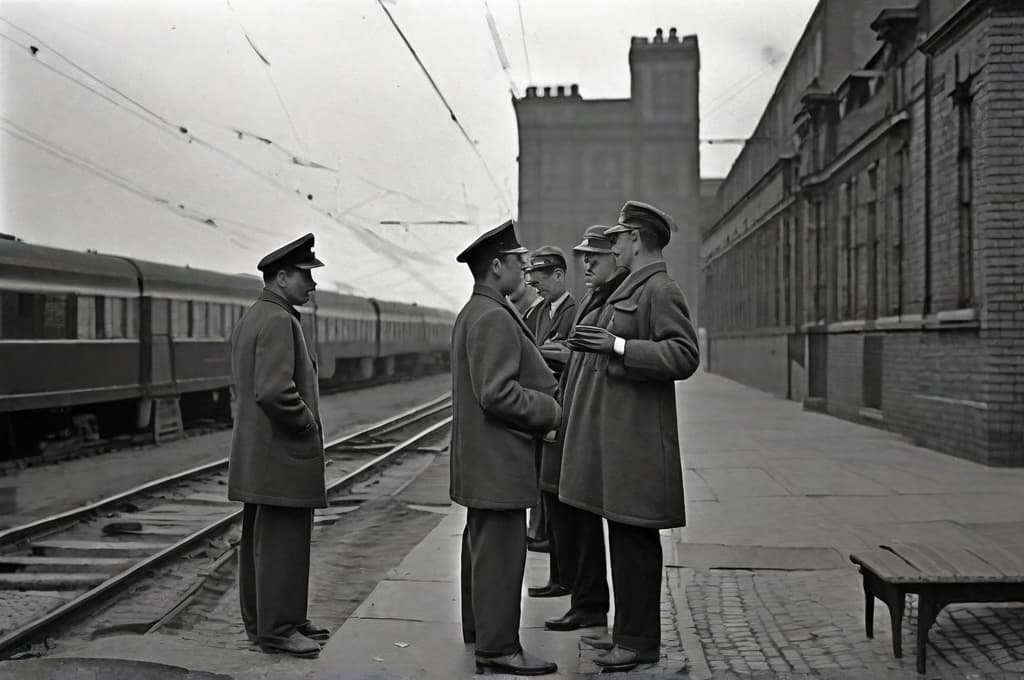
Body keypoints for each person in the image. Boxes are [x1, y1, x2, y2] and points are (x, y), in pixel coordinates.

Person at [561, 202, 700, 672]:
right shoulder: (633, 287)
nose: (614, 246)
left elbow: (683, 355)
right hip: (620, 443)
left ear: (637, 240)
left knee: (635, 544)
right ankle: (629, 636)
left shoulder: (660, 289)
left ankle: (640, 642)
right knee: (623, 539)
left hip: (639, 445)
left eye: (618, 238)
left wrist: (619, 346)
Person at [451, 219, 562, 676]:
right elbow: (497, 393)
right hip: (499, 459)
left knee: (482, 547)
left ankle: (481, 631)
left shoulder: (477, 311)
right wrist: (549, 410)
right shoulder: (494, 316)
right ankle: (499, 648)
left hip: (483, 460)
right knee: (500, 554)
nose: (525, 268)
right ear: (497, 266)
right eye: (519, 261)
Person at [227, 233, 331, 659]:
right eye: (306, 275)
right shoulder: (276, 319)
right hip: (281, 454)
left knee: (264, 544)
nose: (313, 283)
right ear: (282, 276)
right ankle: (278, 630)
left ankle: (273, 619)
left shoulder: (261, 315)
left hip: (263, 455)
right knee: (282, 545)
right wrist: (306, 424)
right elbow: (273, 391)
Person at [540, 225, 628, 634]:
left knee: (586, 515)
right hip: (576, 419)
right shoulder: (598, 297)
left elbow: (677, 355)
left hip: (597, 424)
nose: (587, 263)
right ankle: (586, 602)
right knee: (576, 516)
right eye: (584, 257)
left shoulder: (621, 297)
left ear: (618, 256)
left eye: (595, 256)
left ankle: (591, 603)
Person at [522, 245, 577, 562]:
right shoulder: (537, 312)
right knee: (540, 477)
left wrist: (545, 352)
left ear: (558, 275)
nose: (535, 285)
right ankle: (540, 535)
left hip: (561, 408)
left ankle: (559, 558)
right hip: (539, 406)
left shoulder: (575, 311)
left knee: (556, 485)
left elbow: (570, 356)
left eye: (540, 279)